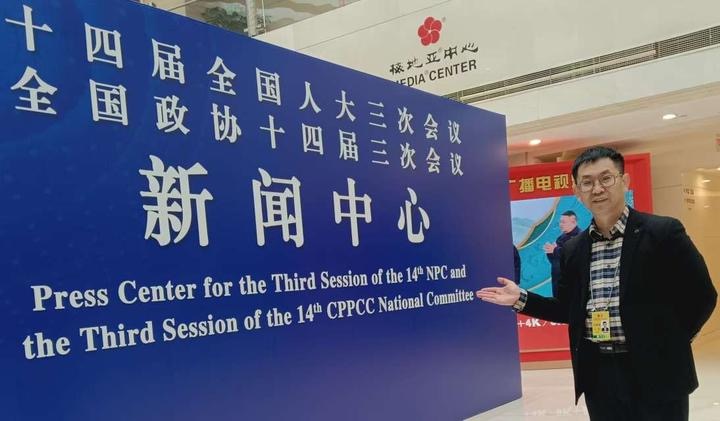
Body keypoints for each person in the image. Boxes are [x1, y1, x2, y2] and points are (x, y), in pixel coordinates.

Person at [477, 146, 716, 421]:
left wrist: (673, 340)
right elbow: (566, 308)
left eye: (606, 178)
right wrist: (521, 298)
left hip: (657, 370)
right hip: (600, 375)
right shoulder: (573, 249)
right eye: (587, 182)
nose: (597, 189)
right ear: (577, 192)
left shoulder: (663, 233)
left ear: (624, 181)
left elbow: (702, 295)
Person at [543, 210, 580, 297]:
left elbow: (573, 256)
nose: (560, 224)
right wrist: (550, 252)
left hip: (571, 282)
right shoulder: (560, 238)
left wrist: (555, 250)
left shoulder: (580, 237)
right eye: (560, 222)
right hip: (557, 280)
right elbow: (555, 261)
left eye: (563, 222)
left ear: (573, 222)